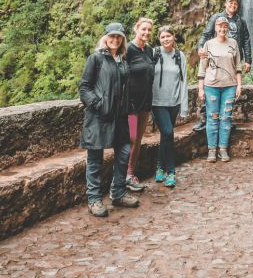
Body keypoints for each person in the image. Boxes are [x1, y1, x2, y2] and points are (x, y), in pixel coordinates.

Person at [78, 22, 140, 216]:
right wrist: (98, 104)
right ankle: (94, 200)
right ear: (105, 38)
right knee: (95, 159)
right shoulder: (95, 59)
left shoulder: (122, 60)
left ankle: (118, 193)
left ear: (122, 39)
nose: (115, 39)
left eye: (119, 37)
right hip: (99, 117)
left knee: (123, 154)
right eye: (111, 36)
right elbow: (84, 87)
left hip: (120, 117)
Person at [193, 0, 252, 132]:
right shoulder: (216, 18)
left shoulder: (241, 21)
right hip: (215, 58)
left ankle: (226, 120)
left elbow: (246, 40)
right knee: (211, 86)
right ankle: (204, 120)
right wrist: (200, 48)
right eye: (230, 3)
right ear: (225, 4)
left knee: (230, 89)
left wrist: (248, 60)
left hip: (232, 59)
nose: (233, 6)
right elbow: (206, 34)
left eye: (235, 4)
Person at [198, 16, 243, 162]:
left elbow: (238, 66)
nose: (222, 29)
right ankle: (212, 149)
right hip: (211, 86)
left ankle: (223, 148)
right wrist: (200, 88)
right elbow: (202, 67)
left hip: (230, 86)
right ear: (215, 28)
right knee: (212, 117)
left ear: (227, 28)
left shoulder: (234, 43)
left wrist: (239, 85)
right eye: (220, 26)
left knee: (226, 117)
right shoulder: (208, 44)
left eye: (225, 26)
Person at [152, 26, 189, 188]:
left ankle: (159, 167)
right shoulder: (154, 54)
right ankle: (171, 172)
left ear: (174, 37)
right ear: (159, 39)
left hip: (173, 102)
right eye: (162, 37)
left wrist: (184, 106)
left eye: (168, 36)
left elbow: (184, 81)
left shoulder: (180, 56)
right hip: (157, 102)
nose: (166, 39)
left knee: (165, 136)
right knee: (168, 132)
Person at [124, 17, 156, 192]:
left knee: (138, 140)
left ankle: (130, 174)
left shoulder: (149, 51)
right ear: (136, 29)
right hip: (130, 103)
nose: (146, 32)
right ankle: (123, 175)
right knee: (131, 139)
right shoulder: (128, 50)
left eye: (149, 30)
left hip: (145, 103)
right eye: (143, 29)